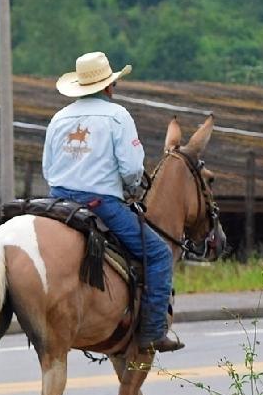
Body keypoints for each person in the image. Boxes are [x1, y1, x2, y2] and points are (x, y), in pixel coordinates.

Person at [42, 50, 181, 353]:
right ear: (108, 86)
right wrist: (130, 188)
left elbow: (48, 169)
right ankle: (154, 331)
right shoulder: (118, 116)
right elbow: (132, 169)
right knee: (158, 254)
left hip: (57, 202)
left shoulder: (59, 118)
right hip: (100, 202)